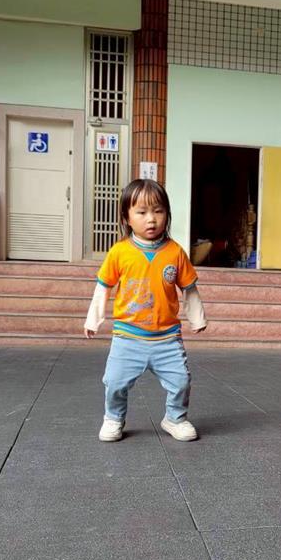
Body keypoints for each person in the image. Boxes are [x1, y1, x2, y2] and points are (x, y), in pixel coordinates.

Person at [84, 179, 207, 442]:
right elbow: (103, 287)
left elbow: (189, 289)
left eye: (158, 211)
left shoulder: (175, 252)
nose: (151, 219)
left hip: (167, 338)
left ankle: (175, 418)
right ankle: (113, 418)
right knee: (114, 382)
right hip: (127, 337)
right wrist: (93, 320)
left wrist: (197, 319)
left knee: (181, 381)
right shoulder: (119, 252)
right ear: (127, 218)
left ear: (167, 214)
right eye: (141, 212)